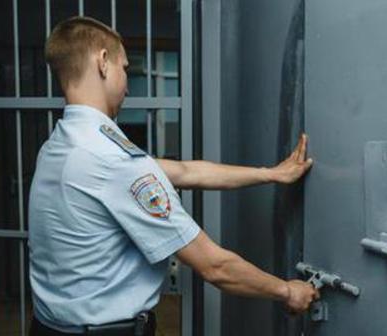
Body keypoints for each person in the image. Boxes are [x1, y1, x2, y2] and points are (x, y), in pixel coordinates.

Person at [28, 16, 318, 336]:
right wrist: (288, 291)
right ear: (103, 62)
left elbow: (183, 171)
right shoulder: (115, 162)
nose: (126, 83)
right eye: (125, 68)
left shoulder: (59, 145)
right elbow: (215, 266)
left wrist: (271, 174)